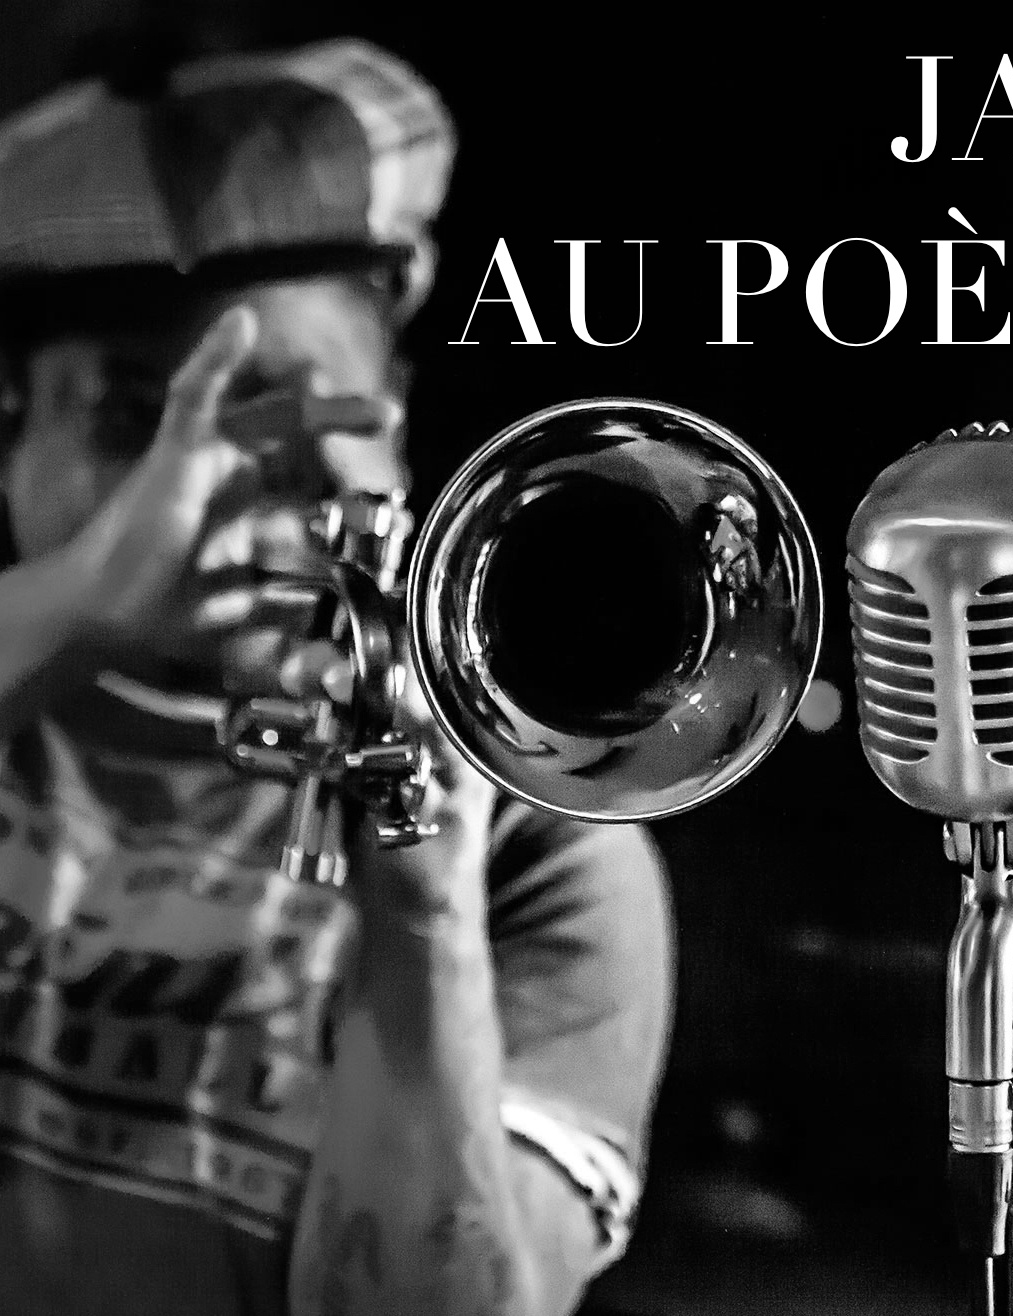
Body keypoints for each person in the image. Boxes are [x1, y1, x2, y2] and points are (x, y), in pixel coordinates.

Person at [0, 37, 673, 1316]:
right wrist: (84, 602)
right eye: (132, 418)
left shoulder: (539, 846)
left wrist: (421, 913)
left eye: (294, 421)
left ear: (394, 423)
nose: (206, 492)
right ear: (9, 426)